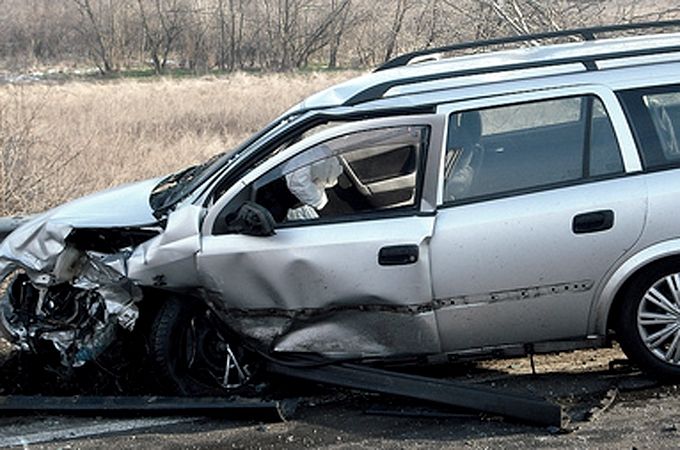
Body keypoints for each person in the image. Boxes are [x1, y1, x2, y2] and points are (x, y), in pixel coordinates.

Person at [284, 144, 343, 221]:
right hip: (298, 195)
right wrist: (318, 200)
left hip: (310, 195)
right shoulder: (315, 151)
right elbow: (298, 183)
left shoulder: (322, 150)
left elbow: (334, 173)